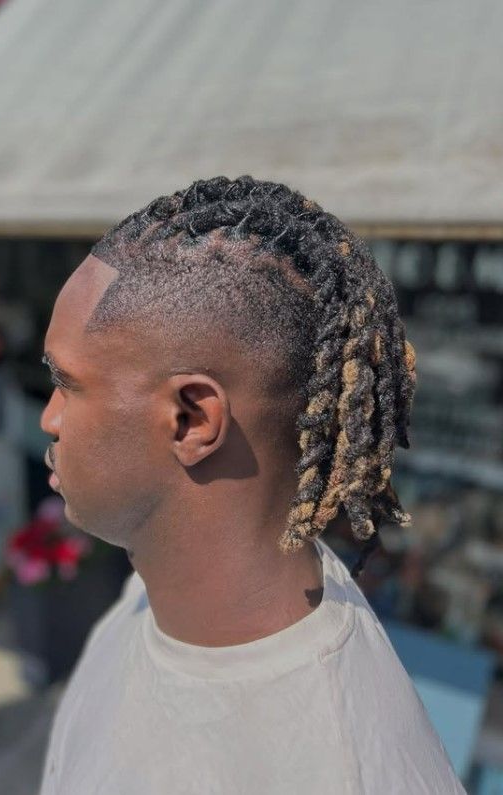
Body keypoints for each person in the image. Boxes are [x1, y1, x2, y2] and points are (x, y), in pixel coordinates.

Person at [38, 176, 464, 793]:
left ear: (192, 419)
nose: (47, 418)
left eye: (68, 384)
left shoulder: (331, 769)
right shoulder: (153, 597)